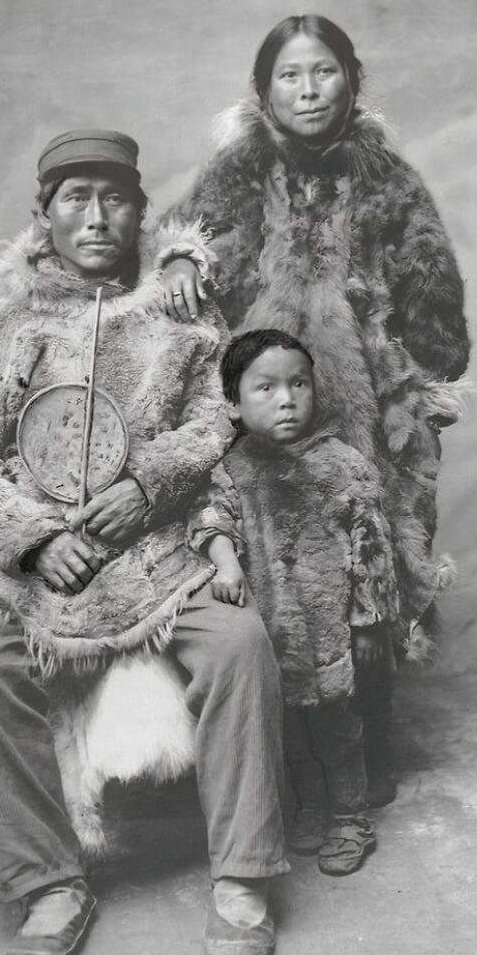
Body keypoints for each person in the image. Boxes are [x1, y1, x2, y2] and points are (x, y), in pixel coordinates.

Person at [0, 129, 289, 955]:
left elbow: (217, 419)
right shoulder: (6, 328)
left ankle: (243, 873)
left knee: (239, 645)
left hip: (159, 549)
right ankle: (49, 883)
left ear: (140, 211)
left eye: (114, 198)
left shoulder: (181, 317)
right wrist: (37, 540)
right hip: (39, 564)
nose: (96, 217)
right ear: (44, 215)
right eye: (76, 199)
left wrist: (150, 486)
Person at [160, 13, 471, 810]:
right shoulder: (235, 174)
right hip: (261, 416)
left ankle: (369, 742)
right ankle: (293, 752)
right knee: (275, 569)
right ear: (263, 90)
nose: (308, 90)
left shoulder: (389, 181)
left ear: (352, 81)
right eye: (290, 75)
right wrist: (181, 260)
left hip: (370, 412)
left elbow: (433, 295)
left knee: (372, 568)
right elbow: (183, 243)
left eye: (324, 71)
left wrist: (422, 393)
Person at [189, 328, 398, 875]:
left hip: (331, 637)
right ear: (233, 403)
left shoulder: (342, 464)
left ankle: (349, 817)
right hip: (270, 638)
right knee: (289, 736)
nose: (286, 399)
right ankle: (309, 808)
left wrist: (370, 623)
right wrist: (226, 562)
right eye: (266, 388)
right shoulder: (232, 470)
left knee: (337, 732)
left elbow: (372, 548)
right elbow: (210, 519)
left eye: (298, 384)